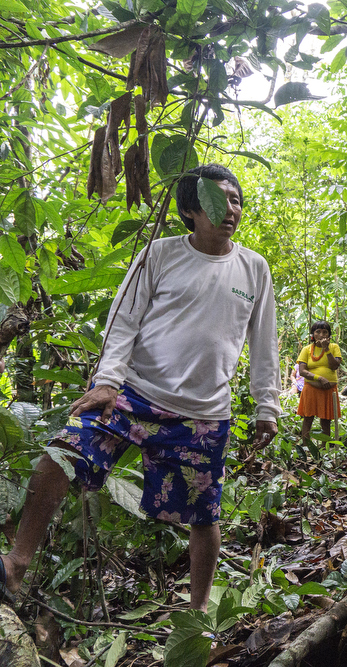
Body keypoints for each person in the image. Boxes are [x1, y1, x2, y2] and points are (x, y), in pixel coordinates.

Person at [0, 164, 280, 612]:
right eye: (217, 199)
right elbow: (123, 320)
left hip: (204, 414)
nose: (231, 209)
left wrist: (268, 405)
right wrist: (108, 380)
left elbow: (265, 340)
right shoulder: (160, 253)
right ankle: (16, 563)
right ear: (190, 209)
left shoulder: (253, 267)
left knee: (203, 515)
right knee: (63, 453)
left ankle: (198, 611)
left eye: (236, 199)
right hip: (133, 394)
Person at [296, 320, 342, 441]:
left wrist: (326, 349)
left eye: (325, 332)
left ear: (329, 335)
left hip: (329, 390)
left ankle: (324, 448)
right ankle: (306, 446)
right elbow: (302, 371)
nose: (322, 335)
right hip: (311, 388)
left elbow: (334, 366)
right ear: (312, 334)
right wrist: (319, 378)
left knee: (326, 420)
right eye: (318, 331)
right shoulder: (306, 349)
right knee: (307, 418)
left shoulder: (334, 347)